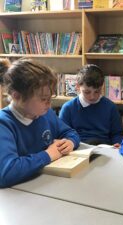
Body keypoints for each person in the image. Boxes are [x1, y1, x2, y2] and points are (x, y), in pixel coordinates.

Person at [0, 58, 80, 188]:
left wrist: (70, 142)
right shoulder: (4, 123)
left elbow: (70, 132)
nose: (49, 104)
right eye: (44, 99)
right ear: (17, 96)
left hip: (48, 185)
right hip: (21, 196)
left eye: (50, 98)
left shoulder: (44, 113)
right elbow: (6, 172)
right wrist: (48, 155)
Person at [59, 64, 123, 146]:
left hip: (104, 149)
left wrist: (117, 143)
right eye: (87, 92)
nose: (92, 97)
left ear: (102, 87)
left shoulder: (110, 107)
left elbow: (117, 134)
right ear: (78, 87)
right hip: (77, 148)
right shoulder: (68, 108)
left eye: (97, 91)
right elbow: (63, 135)